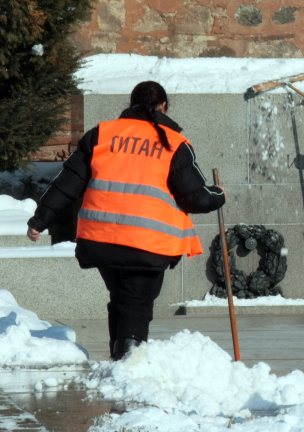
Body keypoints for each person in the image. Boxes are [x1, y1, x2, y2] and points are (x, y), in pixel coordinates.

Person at [27, 81, 226, 360]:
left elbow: (69, 182)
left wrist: (40, 219)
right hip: (147, 243)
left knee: (121, 300)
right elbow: (196, 198)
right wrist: (218, 195)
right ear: (164, 106)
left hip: (102, 240)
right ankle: (127, 366)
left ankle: (118, 362)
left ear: (131, 104)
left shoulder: (103, 134)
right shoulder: (173, 143)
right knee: (136, 304)